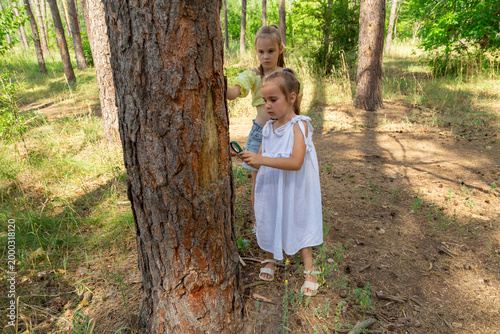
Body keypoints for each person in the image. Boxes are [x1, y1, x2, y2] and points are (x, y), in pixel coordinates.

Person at [239, 70, 323, 297]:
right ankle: (270, 259)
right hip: (272, 186)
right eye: (265, 100)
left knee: (297, 220)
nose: (267, 105)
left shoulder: (300, 125)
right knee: (269, 217)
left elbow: (296, 162)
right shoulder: (267, 128)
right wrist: (245, 156)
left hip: (293, 188)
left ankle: (309, 268)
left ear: (291, 98)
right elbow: (260, 159)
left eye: (273, 100)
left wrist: (261, 159)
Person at [227, 25, 302, 210]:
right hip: (260, 133)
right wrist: (223, 87)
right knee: (258, 183)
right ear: (256, 51)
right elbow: (233, 92)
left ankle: (279, 217)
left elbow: (296, 106)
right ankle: (259, 223)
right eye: (261, 52)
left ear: (280, 49)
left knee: (280, 180)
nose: (266, 56)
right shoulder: (253, 75)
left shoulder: (287, 75)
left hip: (284, 134)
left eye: (271, 51)